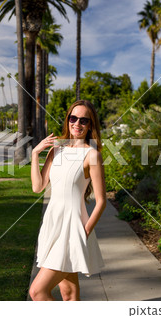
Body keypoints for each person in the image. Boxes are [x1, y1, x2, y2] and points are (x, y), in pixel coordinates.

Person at [29, 100, 106, 301]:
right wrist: (35, 153)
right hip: (53, 224)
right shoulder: (57, 150)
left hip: (73, 229)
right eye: (73, 118)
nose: (77, 124)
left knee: (37, 292)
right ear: (68, 120)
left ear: (90, 125)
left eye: (83, 120)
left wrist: (85, 231)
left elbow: (101, 201)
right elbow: (38, 187)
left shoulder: (92, 155)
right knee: (69, 294)